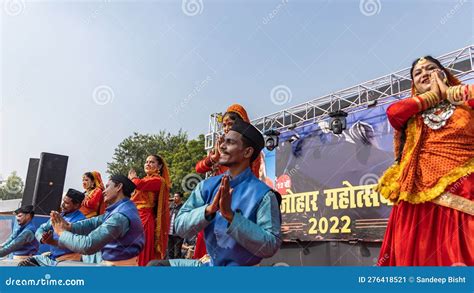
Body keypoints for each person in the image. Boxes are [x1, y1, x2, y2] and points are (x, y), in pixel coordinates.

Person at [376, 56, 474, 266]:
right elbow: (394, 113)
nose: (425, 73)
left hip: (464, 191)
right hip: (417, 198)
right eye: (418, 73)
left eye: (431, 68)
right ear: (414, 84)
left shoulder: (466, 105)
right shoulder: (411, 113)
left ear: (444, 74)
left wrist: (452, 93)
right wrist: (431, 97)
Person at [149, 119, 282, 266]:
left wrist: (230, 216)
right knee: (156, 266)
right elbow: (180, 227)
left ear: (247, 152)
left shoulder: (264, 195)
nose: (222, 147)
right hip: (209, 265)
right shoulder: (206, 186)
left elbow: (270, 246)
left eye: (230, 142)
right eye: (223, 142)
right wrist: (208, 210)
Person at [193, 104, 263, 260]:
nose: (225, 128)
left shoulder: (248, 149)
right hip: (216, 199)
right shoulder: (220, 147)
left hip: (236, 200)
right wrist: (214, 157)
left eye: (230, 124)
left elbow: (251, 175)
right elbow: (199, 169)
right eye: (224, 125)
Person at [49, 175, 145, 266]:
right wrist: (70, 227)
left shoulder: (119, 217)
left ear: (119, 187)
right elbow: (93, 222)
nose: (104, 191)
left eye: (107, 187)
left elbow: (87, 245)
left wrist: (61, 232)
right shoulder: (122, 209)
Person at [18, 189, 86, 266]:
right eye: (63, 201)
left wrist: (52, 241)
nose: (62, 205)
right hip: (54, 258)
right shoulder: (59, 216)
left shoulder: (81, 221)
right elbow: (41, 229)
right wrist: (42, 239)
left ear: (76, 205)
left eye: (66, 203)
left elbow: (75, 244)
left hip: (68, 260)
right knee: (25, 263)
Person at [128, 154, 171, 266]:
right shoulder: (145, 179)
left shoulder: (158, 181)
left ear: (160, 166)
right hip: (135, 217)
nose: (148, 164)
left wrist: (133, 177)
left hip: (145, 220)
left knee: (140, 252)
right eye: (146, 161)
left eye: (152, 162)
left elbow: (139, 185)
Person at [167, 192, 185, 259]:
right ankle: (169, 268)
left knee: (177, 253)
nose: (174, 198)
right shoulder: (171, 207)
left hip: (178, 234)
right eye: (174, 196)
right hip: (170, 233)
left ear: (180, 198)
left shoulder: (183, 208)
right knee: (169, 252)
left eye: (176, 196)